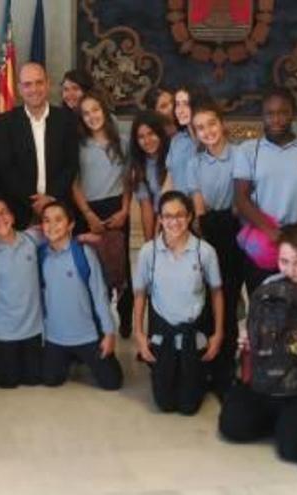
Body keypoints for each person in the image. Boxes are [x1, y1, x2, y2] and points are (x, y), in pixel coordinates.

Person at [218, 223, 297, 462]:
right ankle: (281, 421)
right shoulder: (271, 284)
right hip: (268, 379)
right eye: (284, 261)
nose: (290, 271)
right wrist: (247, 338)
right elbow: (252, 322)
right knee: (232, 427)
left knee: (292, 450)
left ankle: (288, 424)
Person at [132, 191, 224, 414]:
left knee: (188, 406)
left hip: (193, 334)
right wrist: (140, 335)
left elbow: (216, 293)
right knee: (165, 404)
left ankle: (197, 374)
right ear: (160, 219)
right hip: (163, 334)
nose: (174, 221)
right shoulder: (148, 252)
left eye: (180, 215)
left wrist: (218, 334)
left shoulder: (205, 252)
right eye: (168, 216)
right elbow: (140, 294)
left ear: (190, 216)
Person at [234, 87, 297, 293]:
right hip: (262, 238)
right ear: (263, 116)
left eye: (283, 113)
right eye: (270, 113)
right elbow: (241, 199)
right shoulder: (247, 150)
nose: (276, 119)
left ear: (293, 114)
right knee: (263, 303)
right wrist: (271, 233)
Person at [186, 101, 242, 398]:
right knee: (205, 298)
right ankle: (203, 362)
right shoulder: (195, 163)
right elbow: (197, 201)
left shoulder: (241, 155)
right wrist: (203, 227)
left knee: (228, 299)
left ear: (222, 124)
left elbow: (243, 195)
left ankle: (225, 367)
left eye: (211, 124)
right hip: (207, 230)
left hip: (235, 229)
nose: (207, 131)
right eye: (200, 128)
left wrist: (230, 220)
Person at [38, 201, 123, 391]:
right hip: (55, 337)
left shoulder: (84, 253)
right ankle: (69, 357)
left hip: (87, 336)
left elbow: (100, 296)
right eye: (46, 220)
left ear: (71, 224)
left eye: (58, 220)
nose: (51, 226)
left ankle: (80, 356)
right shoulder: (41, 255)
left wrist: (109, 333)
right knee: (50, 381)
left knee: (112, 383)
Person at [72, 92, 132, 336]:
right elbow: (73, 183)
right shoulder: (78, 145)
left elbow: (128, 180)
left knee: (120, 268)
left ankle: (125, 321)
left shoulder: (123, 142)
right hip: (89, 209)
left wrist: (125, 210)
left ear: (105, 111)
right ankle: (97, 324)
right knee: (94, 269)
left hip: (116, 208)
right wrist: (87, 214)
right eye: (86, 113)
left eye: (95, 110)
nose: (92, 117)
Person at [0, 62, 79, 229]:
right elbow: (5, 168)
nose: (34, 89)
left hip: (59, 211)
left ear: (47, 84)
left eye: (39, 82)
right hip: (19, 213)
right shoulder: (4, 123)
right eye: (28, 84)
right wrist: (34, 202)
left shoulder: (66, 120)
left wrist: (50, 198)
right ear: (19, 89)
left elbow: (71, 165)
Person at [0, 196, 44, 388]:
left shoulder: (32, 238)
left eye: (3, 212)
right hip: (3, 330)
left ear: (13, 216)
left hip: (32, 328)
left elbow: (59, 229)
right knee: (7, 382)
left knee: (33, 380)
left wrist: (85, 238)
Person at [129, 111, 171, 241]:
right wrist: (149, 243)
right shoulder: (139, 166)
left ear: (160, 133)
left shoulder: (173, 156)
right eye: (141, 137)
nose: (147, 141)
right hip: (159, 225)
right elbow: (146, 206)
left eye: (151, 134)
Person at [166, 85, 205, 194]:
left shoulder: (210, 139)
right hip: (179, 206)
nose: (180, 110)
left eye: (186, 104)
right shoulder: (177, 140)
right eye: (177, 105)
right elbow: (170, 180)